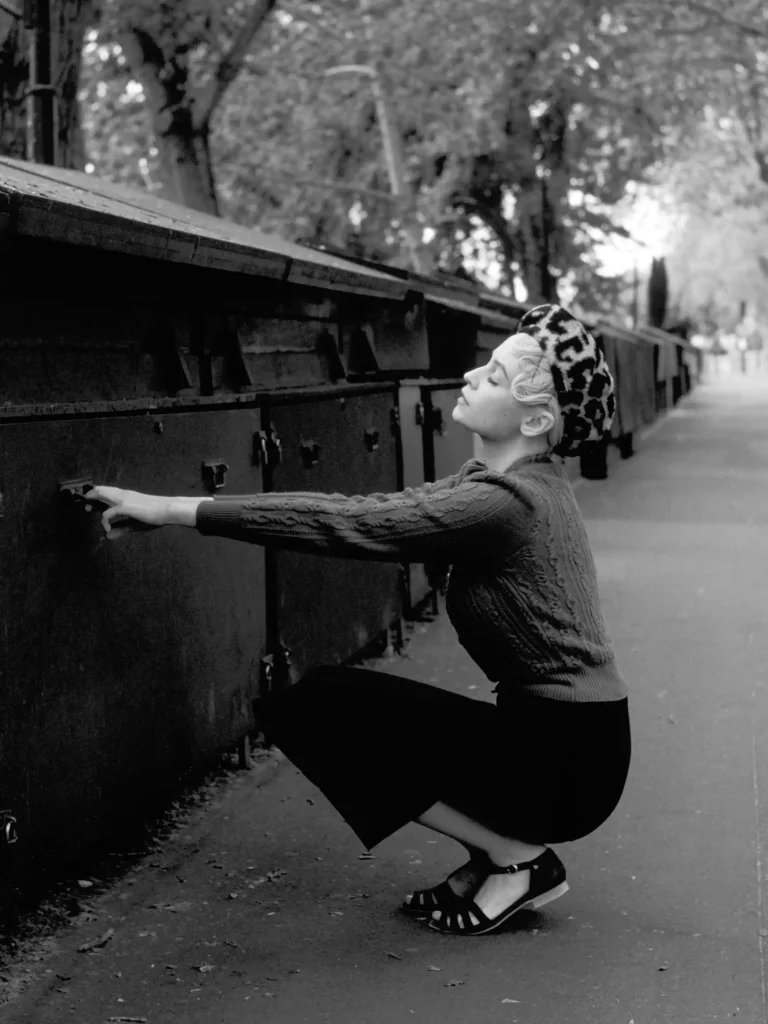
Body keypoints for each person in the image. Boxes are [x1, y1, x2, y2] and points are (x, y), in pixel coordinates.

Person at [86, 303, 630, 937]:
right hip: (561, 738)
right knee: (326, 701)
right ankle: (501, 855)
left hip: (568, 760)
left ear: (535, 419)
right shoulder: (507, 485)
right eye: (486, 364)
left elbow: (348, 522)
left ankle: (515, 858)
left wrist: (171, 509)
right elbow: (377, 512)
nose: (471, 375)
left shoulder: (507, 503)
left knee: (322, 709)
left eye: (495, 376)